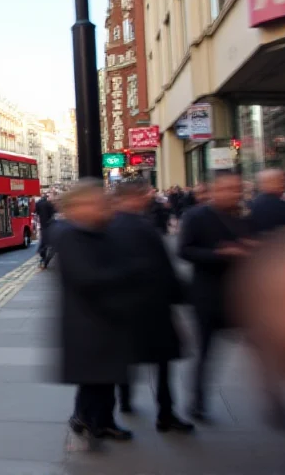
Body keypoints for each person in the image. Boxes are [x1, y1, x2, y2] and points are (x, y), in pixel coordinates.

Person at [50, 179, 140, 444]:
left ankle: (99, 421)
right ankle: (91, 423)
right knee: (96, 378)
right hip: (88, 323)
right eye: (92, 203)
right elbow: (87, 277)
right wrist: (128, 273)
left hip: (105, 320)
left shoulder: (98, 230)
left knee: (102, 379)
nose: (100, 207)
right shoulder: (69, 235)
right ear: (75, 206)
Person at [111, 180, 194, 433]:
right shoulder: (142, 226)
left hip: (124, 306)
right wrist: (179, 297)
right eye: (143, 193)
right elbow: (162, 268)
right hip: (152, 306)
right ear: (133, 197)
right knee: (163, 361)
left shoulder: (110, 226)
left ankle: (124, 400)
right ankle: (165, 414)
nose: (148, 196)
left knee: (126, 358)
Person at [178, 170, 253, 422]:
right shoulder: (197, 216)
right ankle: (197, 402)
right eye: (227, 188)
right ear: (214, 190)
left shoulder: (245, 215)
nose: (233, 193)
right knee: (206, 352)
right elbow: (184, 250)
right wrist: (219, 254)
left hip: (243, 295)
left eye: (236, 188)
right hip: (208, 295)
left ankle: (277, 392)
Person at [248, 168, 285, 427]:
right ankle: (277, 403)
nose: (283, 183)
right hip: (278, 283)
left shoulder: (255, 204)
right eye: (279, 180)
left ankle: (275, 401)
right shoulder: (274, 205)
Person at [35, 193, 56, 268]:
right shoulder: (49, 204)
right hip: (50, 225)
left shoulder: (38, 203)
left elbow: (36, 213)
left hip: (43, 225)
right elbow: (53, 213)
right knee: (51, 245)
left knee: (43, 242)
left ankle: (43, 258)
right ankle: (45, 261)